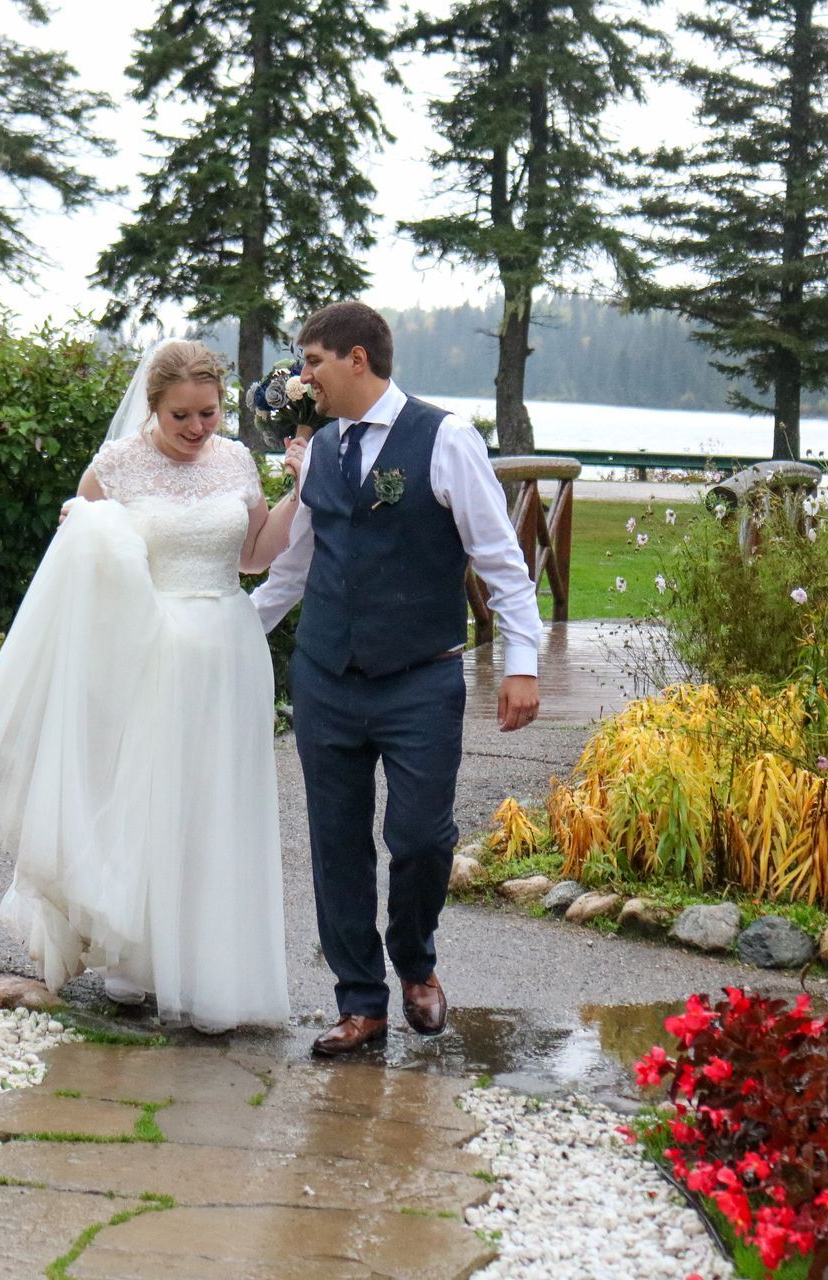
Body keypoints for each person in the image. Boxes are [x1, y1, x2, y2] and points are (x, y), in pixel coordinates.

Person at [0, 339, 299, 1032]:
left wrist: (301, 493)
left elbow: (254, 556)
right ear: (154, 406)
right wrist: (81, 533)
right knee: (147, 798)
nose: (198, 429)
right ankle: (132, 954)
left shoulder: (235, 459)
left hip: (230, 652)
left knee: (215, 804)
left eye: (208, 414)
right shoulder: (115, 466)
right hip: (151, 651)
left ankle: (208, 965)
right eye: (182, 416)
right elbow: (76, 574)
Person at [251, 301, 542, 1057]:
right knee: (336, 842)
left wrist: (520, 662)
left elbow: (501, 560)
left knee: (419, 838)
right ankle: (360, 1003)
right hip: (326, 678)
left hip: (421, 678)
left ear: (355, 359)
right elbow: (294, 567)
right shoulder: (315, 452)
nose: (301, 377)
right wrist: (227, 635)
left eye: (311, 361)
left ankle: (415, 961)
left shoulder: (444, 438)